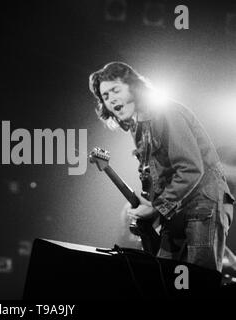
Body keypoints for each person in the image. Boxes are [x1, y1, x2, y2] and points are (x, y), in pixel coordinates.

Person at [89, 61, 234, 272]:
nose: (110, 99)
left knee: (199, 279)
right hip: (176, 209)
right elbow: (161, 177)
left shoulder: (166, 112)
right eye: (105, 96)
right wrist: (148, 203)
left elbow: (190, 168)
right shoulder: (138, 129)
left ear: (134, 87)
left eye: (115, 90)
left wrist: (157, 207)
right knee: (163, 276)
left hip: (204, 204)